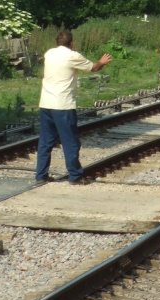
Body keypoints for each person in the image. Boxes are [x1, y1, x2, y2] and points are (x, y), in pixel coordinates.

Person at [35, 29, 113, 184]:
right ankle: (75, 176)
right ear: (71, 43)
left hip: (46, 103)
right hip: (62, 104)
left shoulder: (49, 53)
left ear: (57, 42)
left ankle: (41, 175)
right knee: (70, 141)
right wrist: (102, 62)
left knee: (45, 141)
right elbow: (94, 68)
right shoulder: (73, 56)